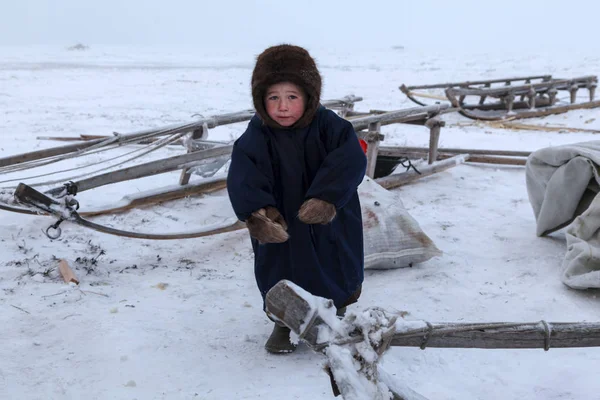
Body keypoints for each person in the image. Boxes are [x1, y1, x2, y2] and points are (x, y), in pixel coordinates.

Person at [227, 44, 367, 354]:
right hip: (283, 221)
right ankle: (283, 324)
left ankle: (334, 316)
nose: (283, 107)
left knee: (334, 265)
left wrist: (327, 198)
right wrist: (258, 213)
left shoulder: (331, 127)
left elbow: (350, 160)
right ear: (261, 101)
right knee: (280, 269)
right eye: (273, 98)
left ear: (309, 96)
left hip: (328, 220)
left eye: (292, 97)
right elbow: (243, 175)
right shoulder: (256, 135)